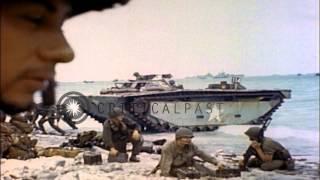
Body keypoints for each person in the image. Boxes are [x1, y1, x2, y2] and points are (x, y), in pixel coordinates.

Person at [156, 127, 223, 178]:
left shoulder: (190, 145)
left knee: (210, 173)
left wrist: (216, 162)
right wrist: (165, 175)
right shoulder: (168, 147)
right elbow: (165, 164)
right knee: (187, 175)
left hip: (188, 164)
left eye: (190, 137)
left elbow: (202, 154)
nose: (189, 140)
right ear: (178, 138)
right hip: (173, 167)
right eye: (185, 137)